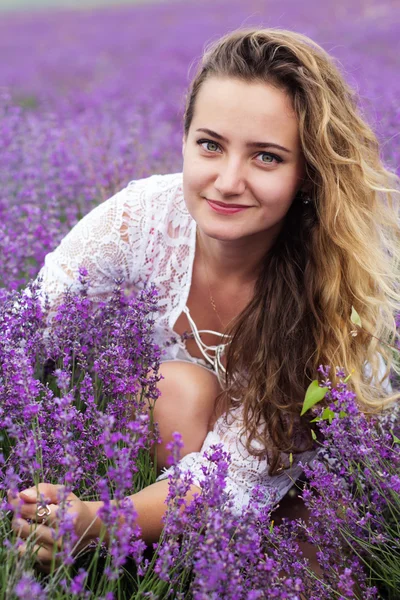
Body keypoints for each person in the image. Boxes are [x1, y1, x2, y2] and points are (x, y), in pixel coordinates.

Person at [9, 27, 400, 570]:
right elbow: (28, 329)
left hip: (319, 480)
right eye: (210, 145)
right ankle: (182, 556)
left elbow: (230, 473)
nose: (227, 181)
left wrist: (95, 522)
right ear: (186, 139)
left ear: (307, 172)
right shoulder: (142, 218)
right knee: (178, 388)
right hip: (191, 441)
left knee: (305, 566)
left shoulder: (326, 284)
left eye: (266, 157)